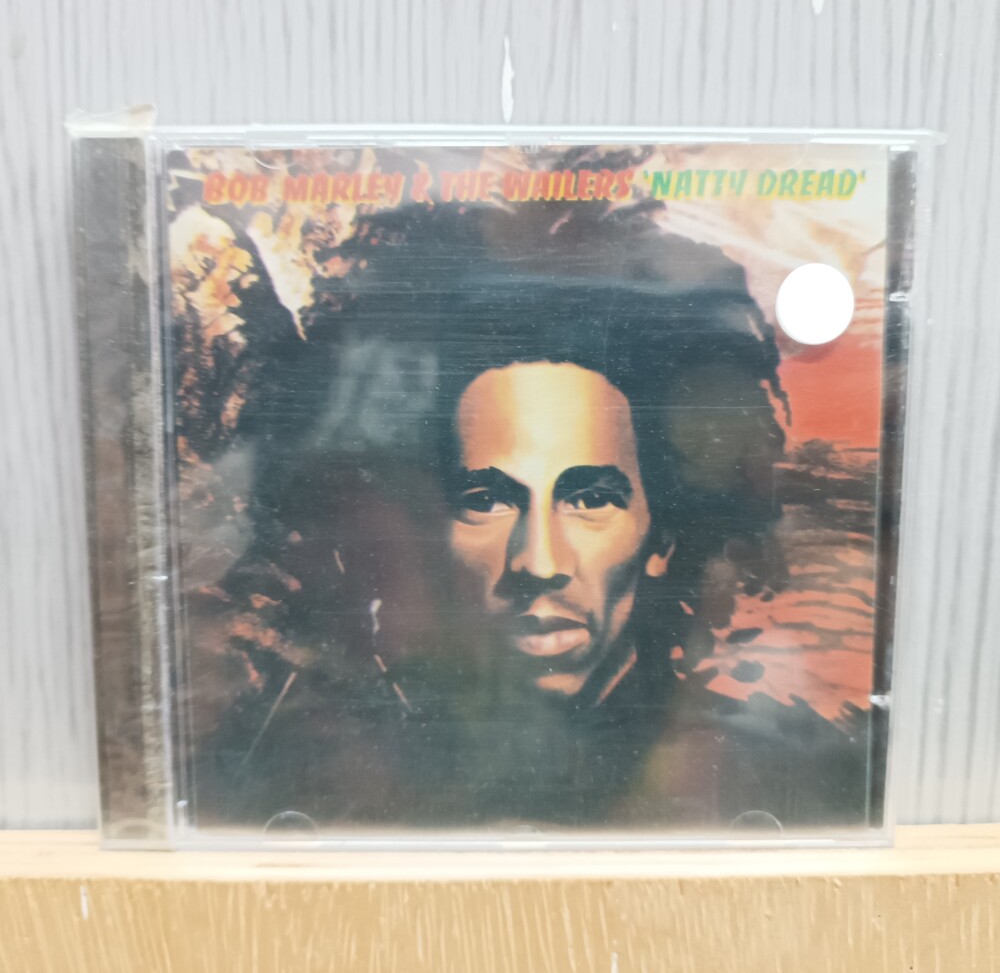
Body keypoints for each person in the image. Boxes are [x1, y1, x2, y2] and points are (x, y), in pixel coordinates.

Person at [192, 213, 867, 834]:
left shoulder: (774, 763)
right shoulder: (322, 758)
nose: (539, 563)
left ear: (659, 532)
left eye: (589, 498)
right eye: (487, 500)